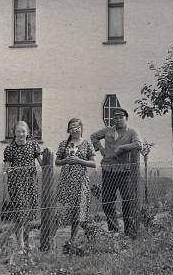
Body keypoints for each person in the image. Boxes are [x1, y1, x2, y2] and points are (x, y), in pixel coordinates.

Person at [90, 107, 143, 237]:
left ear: (126, 118)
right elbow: (94, 136)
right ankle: (113, 230)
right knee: (107, 201)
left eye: (121, 117)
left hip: (124, 171)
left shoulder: (132, 132)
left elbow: (139, 144)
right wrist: (100, 149)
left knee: (127, 201)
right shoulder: (108, 131)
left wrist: (122, 147)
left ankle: (129, 231)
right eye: (115, 117)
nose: (118, 120)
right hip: (108, 169)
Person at [54, 117, 96, 253]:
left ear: (82, 128)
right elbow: (57, 161)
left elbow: (94, 163)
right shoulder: (63, 144)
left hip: (80, 181)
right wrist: (66, 160)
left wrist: (79, 160)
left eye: (77, 126)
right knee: (62, 209)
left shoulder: (87, 144)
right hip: (66, 181)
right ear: (69, 130)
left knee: (78, 211)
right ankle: (52, 238)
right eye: (72, 127)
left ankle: (72, 240)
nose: (75, 129)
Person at [2, 121, 42, 253]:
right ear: (14, 133)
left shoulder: (33, 145)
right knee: (20, 214)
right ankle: (20, 245)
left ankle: (25, 241)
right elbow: (6, 168)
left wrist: (47, 162)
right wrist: (9, 173)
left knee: (29, 214)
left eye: (23, 131)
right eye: (18, 131)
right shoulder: (10, 148)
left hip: (31, 182)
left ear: (28, 133)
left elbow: (42, 162)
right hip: (16, 184)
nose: (21, 134)